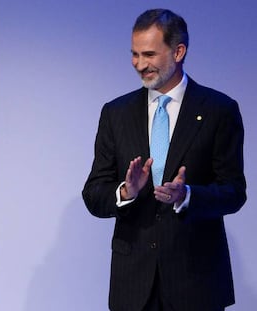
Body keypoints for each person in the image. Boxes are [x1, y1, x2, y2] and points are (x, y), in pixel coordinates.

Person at [82, 8, 246, 311]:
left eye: (149, 54)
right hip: (133, 285)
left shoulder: (218, 110)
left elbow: (234, 192)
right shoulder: (115, 113)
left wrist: (187, 196)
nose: (140, 64)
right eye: (134, 54)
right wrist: (125, 192)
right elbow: (93, 193)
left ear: (179, 51)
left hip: (196, 281)